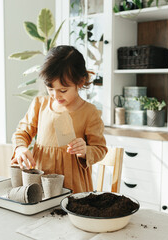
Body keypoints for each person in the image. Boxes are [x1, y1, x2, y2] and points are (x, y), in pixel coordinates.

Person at [10, 45, 108, 193]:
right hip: (41, 183)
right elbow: (22, 133)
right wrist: (20, 148)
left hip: (73, 186)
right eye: (50, 89)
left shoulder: (90, 112)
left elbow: (100, 149)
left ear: (80, 82)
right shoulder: (39, 105)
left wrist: (84, 151)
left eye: (63, 90)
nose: (56, 95)